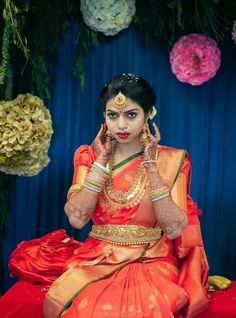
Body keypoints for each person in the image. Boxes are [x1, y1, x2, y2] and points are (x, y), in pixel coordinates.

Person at [8, 73, 209, 317]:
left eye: (131, 115)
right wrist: (101, 164)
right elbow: (77, 220)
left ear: (149, 114)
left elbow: (175, 229)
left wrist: (153, 171)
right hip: (97, 257)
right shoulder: (89, 156)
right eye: (112, 115)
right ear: (104, 117)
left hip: (150, 260)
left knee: (136, 307)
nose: (121, 125)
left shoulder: (172, 160)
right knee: (84, 304)